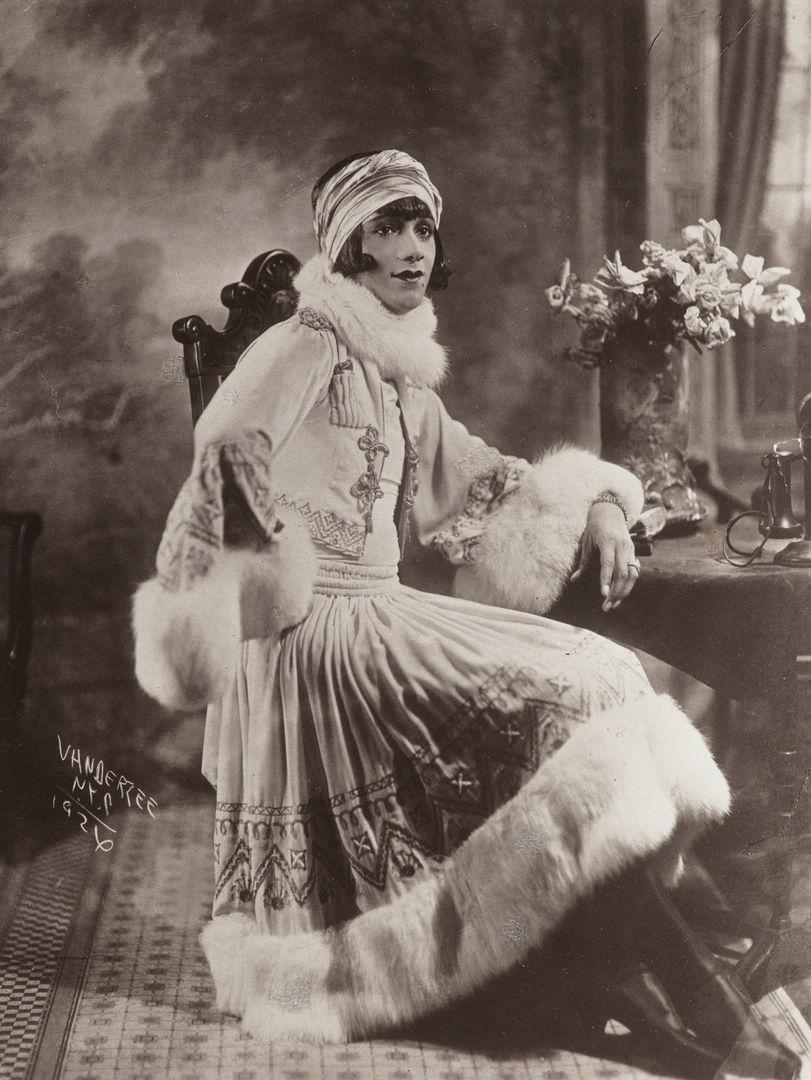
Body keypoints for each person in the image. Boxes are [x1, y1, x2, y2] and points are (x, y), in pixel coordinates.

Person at [133, 150, 799, 1078]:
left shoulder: (395, 365)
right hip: (310, 634)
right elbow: (222, 449)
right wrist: (266, 574)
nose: (411, 247)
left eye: (421, 226)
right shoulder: (306, 342)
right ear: (349, 245)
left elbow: (483, 480)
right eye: (386, 228)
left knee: (602, 672)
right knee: (559, 701)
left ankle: (618, 959)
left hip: (383, 611)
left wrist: (600, 506)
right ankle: (697, 1003)